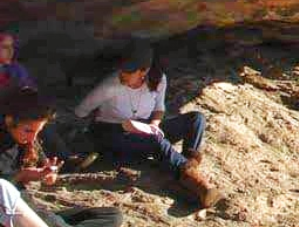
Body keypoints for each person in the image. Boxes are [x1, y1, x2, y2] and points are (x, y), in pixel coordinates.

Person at [74, 44, 219, 208]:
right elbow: (81, 111)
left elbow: (159, 109)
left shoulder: (158, 80)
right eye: (122, 70)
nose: (123, 75)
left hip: (143, 128)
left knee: (196, 119)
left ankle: (187, 172)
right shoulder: (110, 85)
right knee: (155, 141)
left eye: (129, 72)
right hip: (113, 134)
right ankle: (197, 183)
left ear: (144, 71)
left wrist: (154, 124)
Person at [0, 89, 123, 227]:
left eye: (38, 131)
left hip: (33, 207)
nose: (32, 137)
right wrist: (22, 175)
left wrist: (45, 173)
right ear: (9, 120)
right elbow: (3, 190)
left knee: (112, 215)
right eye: (28, 131)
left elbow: (40, 166)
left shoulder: (28, 140)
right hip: (15, 209)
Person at [0, 34, 94, 173]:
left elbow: (32, 101)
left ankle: (60, 161)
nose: (10, 51)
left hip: (17, 115)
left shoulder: (16, 70)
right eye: (4, 47)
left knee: (39, 124)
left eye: (11, 46)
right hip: (7, 119)